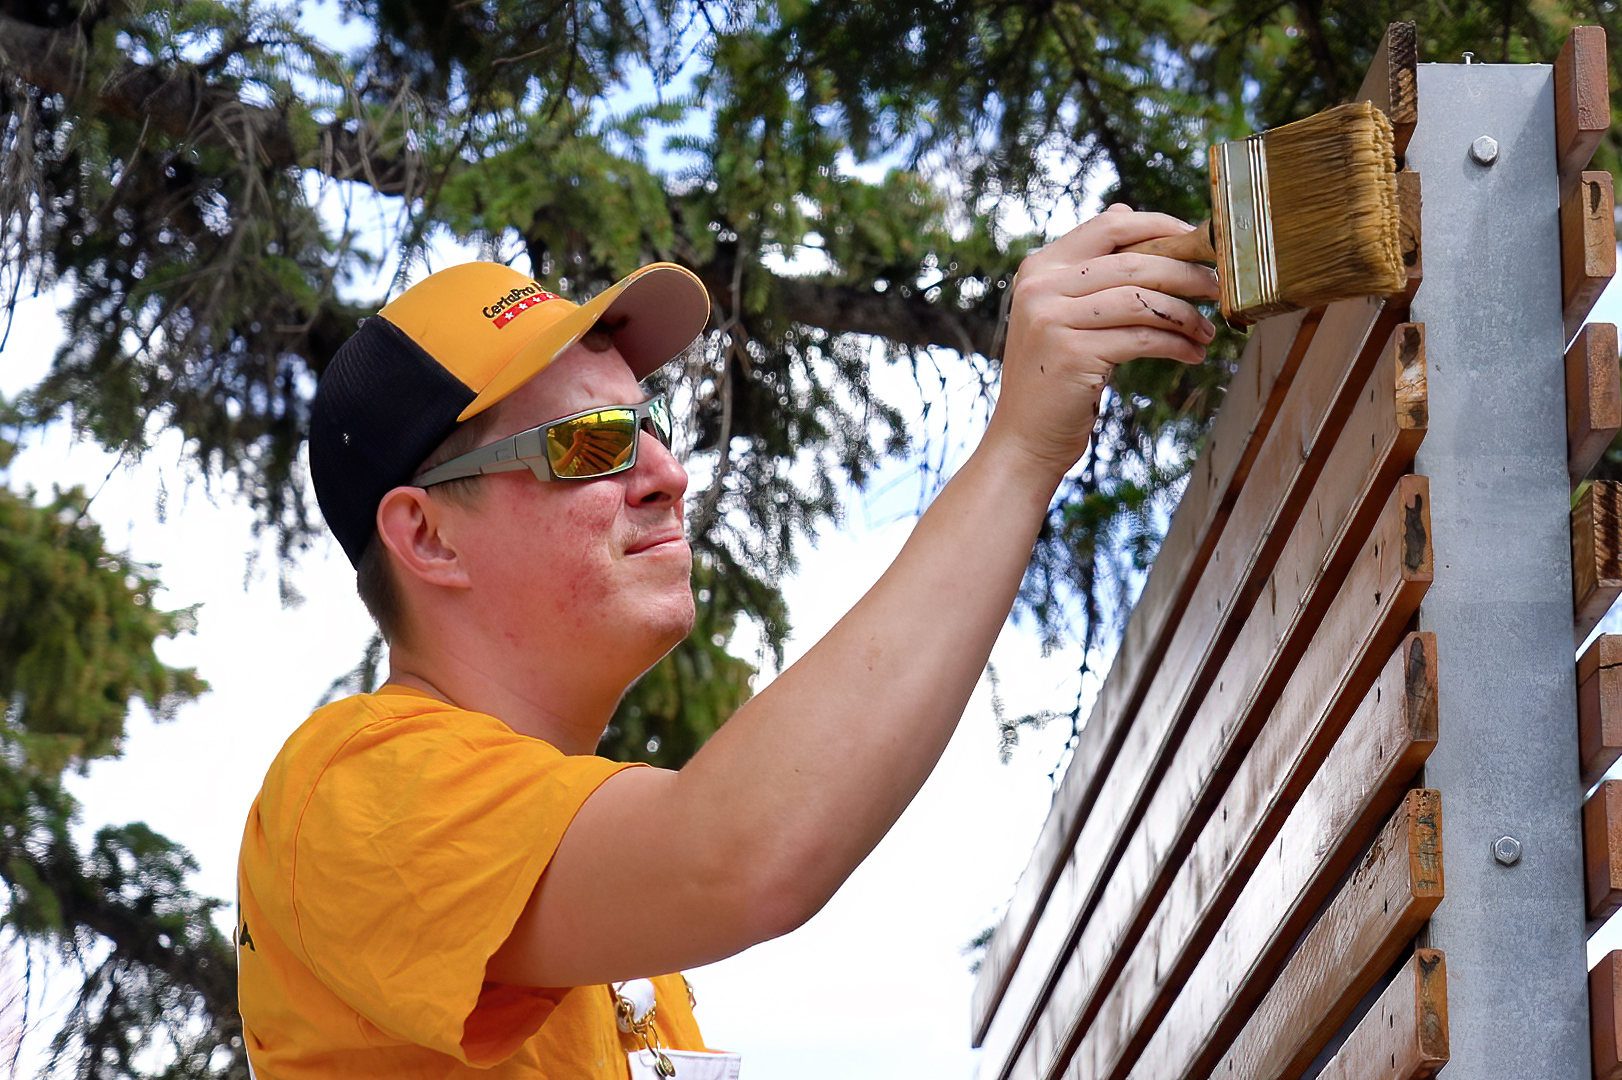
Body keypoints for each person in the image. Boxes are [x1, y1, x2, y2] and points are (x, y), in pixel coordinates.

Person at [233, 205, 1219, 1078]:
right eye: (590, 444)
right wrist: (1021, 450)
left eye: (651, 430)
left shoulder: (587, 908)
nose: (668, 474)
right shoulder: (350, 790)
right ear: (428, 536)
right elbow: (739, 857)